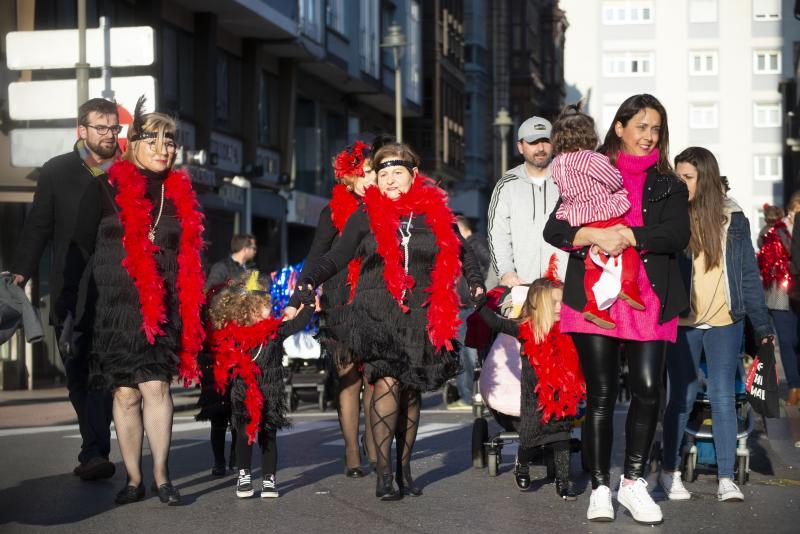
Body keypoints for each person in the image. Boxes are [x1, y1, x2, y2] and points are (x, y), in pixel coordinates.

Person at [298, 142, 485, 500]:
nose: (390, 180)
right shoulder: (364, 215)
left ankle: (404, 466)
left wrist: (476, 285)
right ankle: (384, 473)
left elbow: (463, 255)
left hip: (421, 314)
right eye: (383, 174)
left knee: (411, 392)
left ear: (414, 176)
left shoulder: (434, 215)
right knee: (385, 383)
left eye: (397, 172)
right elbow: (336, 256)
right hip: (376, 312)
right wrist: (310, 280)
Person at [544, 94, 690, 525]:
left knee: (648, 390)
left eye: (656, 129)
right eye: (641, 126)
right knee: (602, 396)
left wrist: (628, 235)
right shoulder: (587, 169)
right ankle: (600, 488)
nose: (649, 136)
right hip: (592, 298)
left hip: (648, 296)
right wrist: (591, 233)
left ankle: (632, 481)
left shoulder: (669, 183)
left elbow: (676, 235)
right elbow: (556, 228)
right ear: (620, 128)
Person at [59, 97, 206, 506]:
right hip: (113, 308)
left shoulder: (181, 194)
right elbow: (78, 252)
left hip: (162, 308)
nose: (164, 149)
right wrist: (68, 306)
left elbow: (193, 256)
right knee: (125, 393)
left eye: (170, 142)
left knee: (156, 386)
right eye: (154, 140)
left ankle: (162, 476)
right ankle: (132, 478)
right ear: (134, 144)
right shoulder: (104, 188)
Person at [9, 98, 120, 481]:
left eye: (114, 128)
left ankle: (94, 451)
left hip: (115, 290)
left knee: (104, 372)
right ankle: (94, 446)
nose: (109, 135)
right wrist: (20, 274)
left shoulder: (128, 172)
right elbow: (38, 226)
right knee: (77, 372)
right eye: (101, 128)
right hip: (70, 288)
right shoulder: (57, 171)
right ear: (82, 130)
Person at [660, 147, 775, 503]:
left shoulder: (733, 217)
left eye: (688, 177)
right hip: (683, 321)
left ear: (705, 179)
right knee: (682, 395)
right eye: (677, 176)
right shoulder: (671, 214)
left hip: (726, 319)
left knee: (724, 396)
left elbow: (748, 276)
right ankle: (669, 472)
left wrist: (763, 324)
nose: (681, 183)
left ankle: (726, 477)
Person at [285, 141, 378, 475]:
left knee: (375, 376)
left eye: (373, 171)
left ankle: (372, 440)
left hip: (375, 298)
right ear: (348, 179)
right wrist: (299, 297)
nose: (370, 178)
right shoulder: (332, 212)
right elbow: (316, 255)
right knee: (349, 378)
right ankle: (352, 450)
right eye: (362, 173)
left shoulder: (385, 207)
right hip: (340, 301)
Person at [474, 270, 584, 500]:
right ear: (537, 305)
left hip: (561, 397)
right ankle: (522, 466)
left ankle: (563, 483)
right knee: (530, 440)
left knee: (562, 439)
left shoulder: (570, 329)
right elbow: (497, 322)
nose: (558, 307)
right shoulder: (526, 330)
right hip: (533, 399)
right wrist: (480, 302)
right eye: (552, 302)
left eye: (561, 302)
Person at [208, 276, 315, 498]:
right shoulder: (234, 334)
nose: (271, 306)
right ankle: (244, 474)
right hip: (242, 392)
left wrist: (310, 304)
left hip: (270, 393)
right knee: (243, 436)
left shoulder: (275, 331)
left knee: (268, 436)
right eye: (266, 305)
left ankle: (269, 479)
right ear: (252, 310)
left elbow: (298, 323)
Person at [550, 104, 645, 329]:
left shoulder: (556, 163)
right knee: (628, 248)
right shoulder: (590, 159)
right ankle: (628, 284)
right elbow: (613, 180)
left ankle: (593, 305)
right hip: (603, 212)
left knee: (591, 266)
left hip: (578, 218)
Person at [488, 116, 567, 287]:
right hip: (522, 286)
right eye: (533, 142)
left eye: (546, 141)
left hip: (563, 286)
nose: (540, 148)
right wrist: (506, 272)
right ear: (520, 147)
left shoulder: (569, 179)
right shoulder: (506, 185)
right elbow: (498, 235)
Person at [758, 196, 800, 406]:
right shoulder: (774, 233)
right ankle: (794, 385)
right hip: (780, 293)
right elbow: (764, 252)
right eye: (794, 212)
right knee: (786, 340)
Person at [450, 215, 492, 410]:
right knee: (466, 352)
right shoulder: (471, 244)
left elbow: (490, 262)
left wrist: (481, 285)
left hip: (469, 305)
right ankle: (470, 394)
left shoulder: (475, 243)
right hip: (463, 306)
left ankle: (471, 396)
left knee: (469, 353)